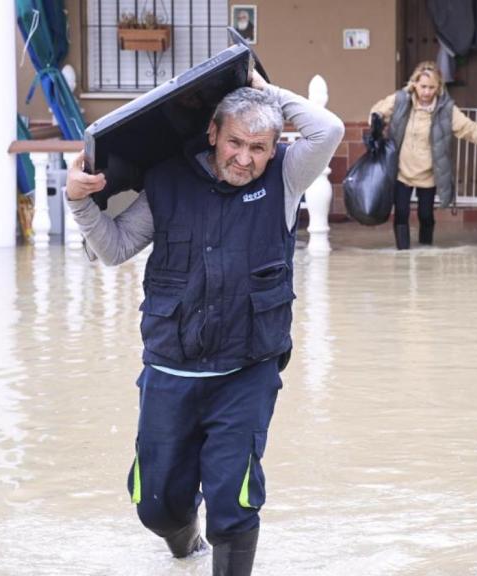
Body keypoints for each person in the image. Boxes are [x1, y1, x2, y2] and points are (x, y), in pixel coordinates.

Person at [65, 72, 344, 575]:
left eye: (259, 147)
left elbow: (327, 129)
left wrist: (266, 90)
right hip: (171, 370)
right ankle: (185, 549)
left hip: (247, 369)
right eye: (235, 142)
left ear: (275, 146)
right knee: (156, 504)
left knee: (232, 502)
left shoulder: (285, 178)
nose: (245, 158)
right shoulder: (168, 180)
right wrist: (79, 201)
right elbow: (114, 249)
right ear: (213, 132)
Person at [370, 61, 477, 250]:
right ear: (415, 84)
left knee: (425, 214)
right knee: (401, 212)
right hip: (402, 170)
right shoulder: (400, 100)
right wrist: (375, 122)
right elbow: (377, 111)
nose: (426, 92)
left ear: (438, 88)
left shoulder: (446, 110)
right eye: (423, 86)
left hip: (429, 173)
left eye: (431, 87)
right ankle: (403, 253)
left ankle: (425, 250)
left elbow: (468, 129)